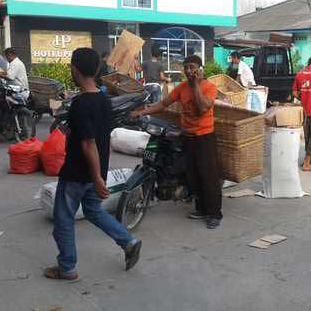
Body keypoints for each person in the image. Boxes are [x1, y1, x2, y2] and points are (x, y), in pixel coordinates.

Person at [45, 48, 142, 281]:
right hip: (96, 170)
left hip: (79, 172)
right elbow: (101, 137)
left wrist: (97, 178)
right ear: (97, 69)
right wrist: (99, 174)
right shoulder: (104, 100)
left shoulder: (80, 104)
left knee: (63, 219)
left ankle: (67, 267)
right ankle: (128, 241)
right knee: (93, 210)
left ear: (74, 70)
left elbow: (89, 143)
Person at [130, 55, 223, 229]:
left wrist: (195, 86)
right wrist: (143, 112)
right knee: (192, 176)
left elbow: (203, 107)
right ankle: (201, 209)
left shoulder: (209, 87)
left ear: (200, 68)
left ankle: (214, 214)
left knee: (208, 177)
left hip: (204, 137)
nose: (189, 71)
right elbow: (163, 104)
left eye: (193, 67)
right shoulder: (181, 87)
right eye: (186, 67)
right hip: (187, 136)